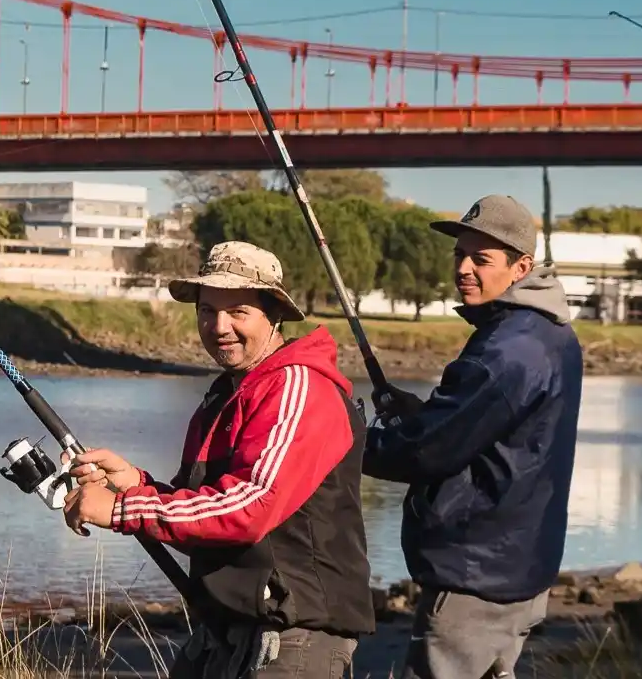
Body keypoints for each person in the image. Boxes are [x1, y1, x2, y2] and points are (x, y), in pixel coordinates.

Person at [60, 240, 376, 679]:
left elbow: (249, 507)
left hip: (295, 638)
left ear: (274, 314)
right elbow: (203, 508)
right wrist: (135, 483)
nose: (219, 326)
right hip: (226, 632)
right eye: (207, 310)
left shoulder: (299, 388)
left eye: (238, 312)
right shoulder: (226, 393)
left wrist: (120, 510)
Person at [362, 194, 583, 679]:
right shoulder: (549, 332)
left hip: (476, 577)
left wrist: (341, 441)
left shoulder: (508, 349)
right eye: (460, 255)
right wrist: (422, 415)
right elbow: (499, 436)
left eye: (481, 259)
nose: (464, 268)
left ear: (521, 266)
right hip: (520, 568)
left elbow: (427, 454)